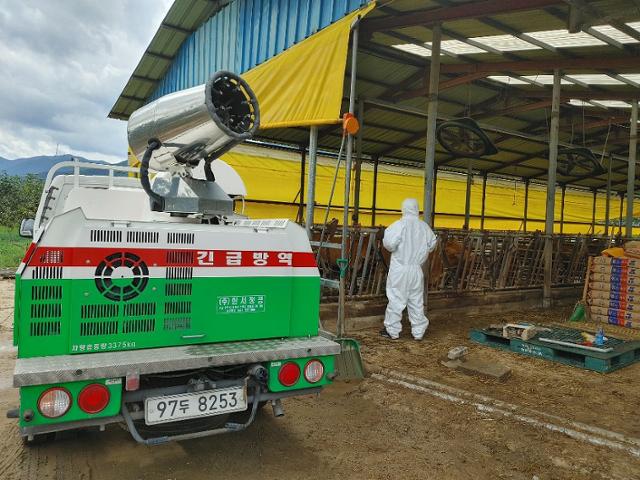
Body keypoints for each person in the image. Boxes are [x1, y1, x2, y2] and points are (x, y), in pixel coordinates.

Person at [380, 198, 437, 340]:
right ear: (417, 209)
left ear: (403, 208)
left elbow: (389, 245)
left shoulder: (398, 226)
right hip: (416, 269)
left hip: (400, 268)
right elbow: (432, 244)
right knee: (416, 300)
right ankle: (418, 332)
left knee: (396, 299)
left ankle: (392, 331)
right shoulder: (424, 227)